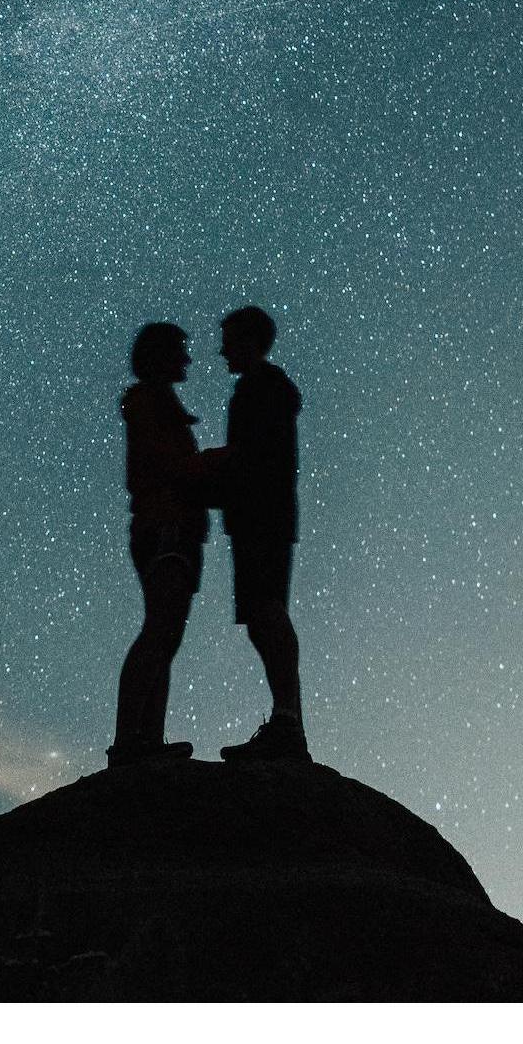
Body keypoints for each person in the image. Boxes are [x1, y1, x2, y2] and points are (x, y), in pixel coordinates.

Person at [204, 304, 308, 762]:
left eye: (228, 339)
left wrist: (207, 470)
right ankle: (287, 722)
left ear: (249, 340)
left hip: (261, 519)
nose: (222, 349)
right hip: (262, 518)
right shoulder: (263, 388)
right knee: (263, 617)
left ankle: (287, 723)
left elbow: (255, 457)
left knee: (266, 613)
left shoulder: (260, 388)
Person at [110, 320, 206, 767]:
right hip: (164, 525)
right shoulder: (151, 403)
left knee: (166, 632)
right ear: (161, 356)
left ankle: (146, 740)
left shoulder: (156, 403)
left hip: (169, 525)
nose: (188, 359)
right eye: (180, 351)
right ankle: (131, 741)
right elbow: (172, 466)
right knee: (161, 628)